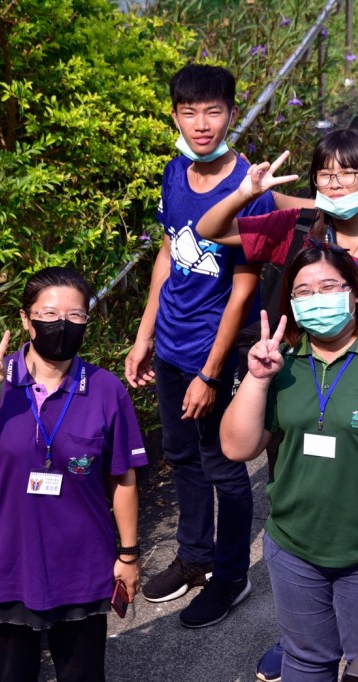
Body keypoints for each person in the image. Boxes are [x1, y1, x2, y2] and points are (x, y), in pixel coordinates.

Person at [220, 245, 358, 681]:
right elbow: (236, 447)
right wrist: (257, 378)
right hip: (294, 549)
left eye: (328, 287)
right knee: (306, 659)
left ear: (355, 293)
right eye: (303, 291)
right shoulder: (282, 363)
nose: (316, 298)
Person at [124, 64, 295, 628]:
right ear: (174, 115)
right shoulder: (175, 172)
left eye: (214, 111)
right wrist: (145, 334)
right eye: (190, 112)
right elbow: (169, 254)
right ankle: (194, 558)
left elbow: (244, 288)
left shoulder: (251, 188)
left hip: (212, 353)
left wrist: (212, 372)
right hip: (170, 346)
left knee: (224, 466)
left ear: (231, 113)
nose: (202, 124)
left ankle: (230, 576)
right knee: (183, 458)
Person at [0, 267, 146, 682]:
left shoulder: (105, 390)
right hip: (6, 565)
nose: (61, 325)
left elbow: (123, 478)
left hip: (82, 568)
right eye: (48, 314)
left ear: (88, 321)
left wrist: (129, 555)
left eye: (76, 316)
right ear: (26, 320)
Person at [196, 128, 358, 355]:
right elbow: (209, 229)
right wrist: (244, 194)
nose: (335, 183)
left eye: (348, 173)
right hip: (297, 375)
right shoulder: (296, 229)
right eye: (325, 174)